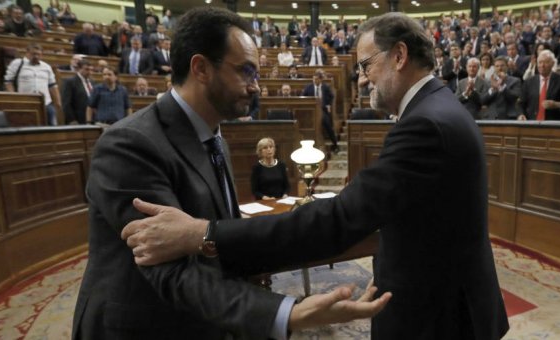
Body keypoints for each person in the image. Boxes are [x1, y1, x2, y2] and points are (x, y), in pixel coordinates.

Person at [122, 11, 509, 340]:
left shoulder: (425, 123)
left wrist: (204, 235)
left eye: (365, 65)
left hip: (439, 313)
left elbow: (341, 219)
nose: (361, 78)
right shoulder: (439, 109)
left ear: (399, 56)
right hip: (444, 300)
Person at [73, 7, 390, 340]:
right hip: (143, 327)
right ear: (201, 69)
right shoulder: (129, 144)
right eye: (246, 72)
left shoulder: (215, 139)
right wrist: (287, 313)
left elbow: (220, 241)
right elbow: (173, 272)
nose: (255, 86)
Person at [4, 43, 61, 125]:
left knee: (52, 127)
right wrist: (14, 97)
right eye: (33, 54)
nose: (36, 56)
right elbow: (8, 82)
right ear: (27, 53)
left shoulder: (46, 67)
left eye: (39, 54)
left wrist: (58, 102)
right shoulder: (17, 63)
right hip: (25, 103)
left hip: (46, 103)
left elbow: (52, 85)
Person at [518, 50, 560, 120]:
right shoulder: (529, 82)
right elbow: (521, 103)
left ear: (553, 63)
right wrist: (521, 114)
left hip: (554, 124)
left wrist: (557, 105)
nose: (542, 65)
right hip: (532, 123)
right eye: (540, 62)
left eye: (546, 62)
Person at [301, 69, 339, 152]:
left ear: (321, 79)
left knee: (327, 125)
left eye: (317, 79)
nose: (315, 81)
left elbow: (331, 96)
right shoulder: (308, 87)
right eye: (314, 79)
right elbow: (303, 97)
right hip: (311, 111)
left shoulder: (325, 87)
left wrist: (328, 104)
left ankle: (335, 144)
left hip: (323, 109)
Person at [62, 59, 93, 124]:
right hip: (77, 119)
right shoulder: (70, 82)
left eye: (91, 70)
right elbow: (66, 103)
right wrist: (72, 119)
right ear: (79, 69)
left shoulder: (92, 82)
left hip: (91, 118)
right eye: (87, 69)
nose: (89, 72)